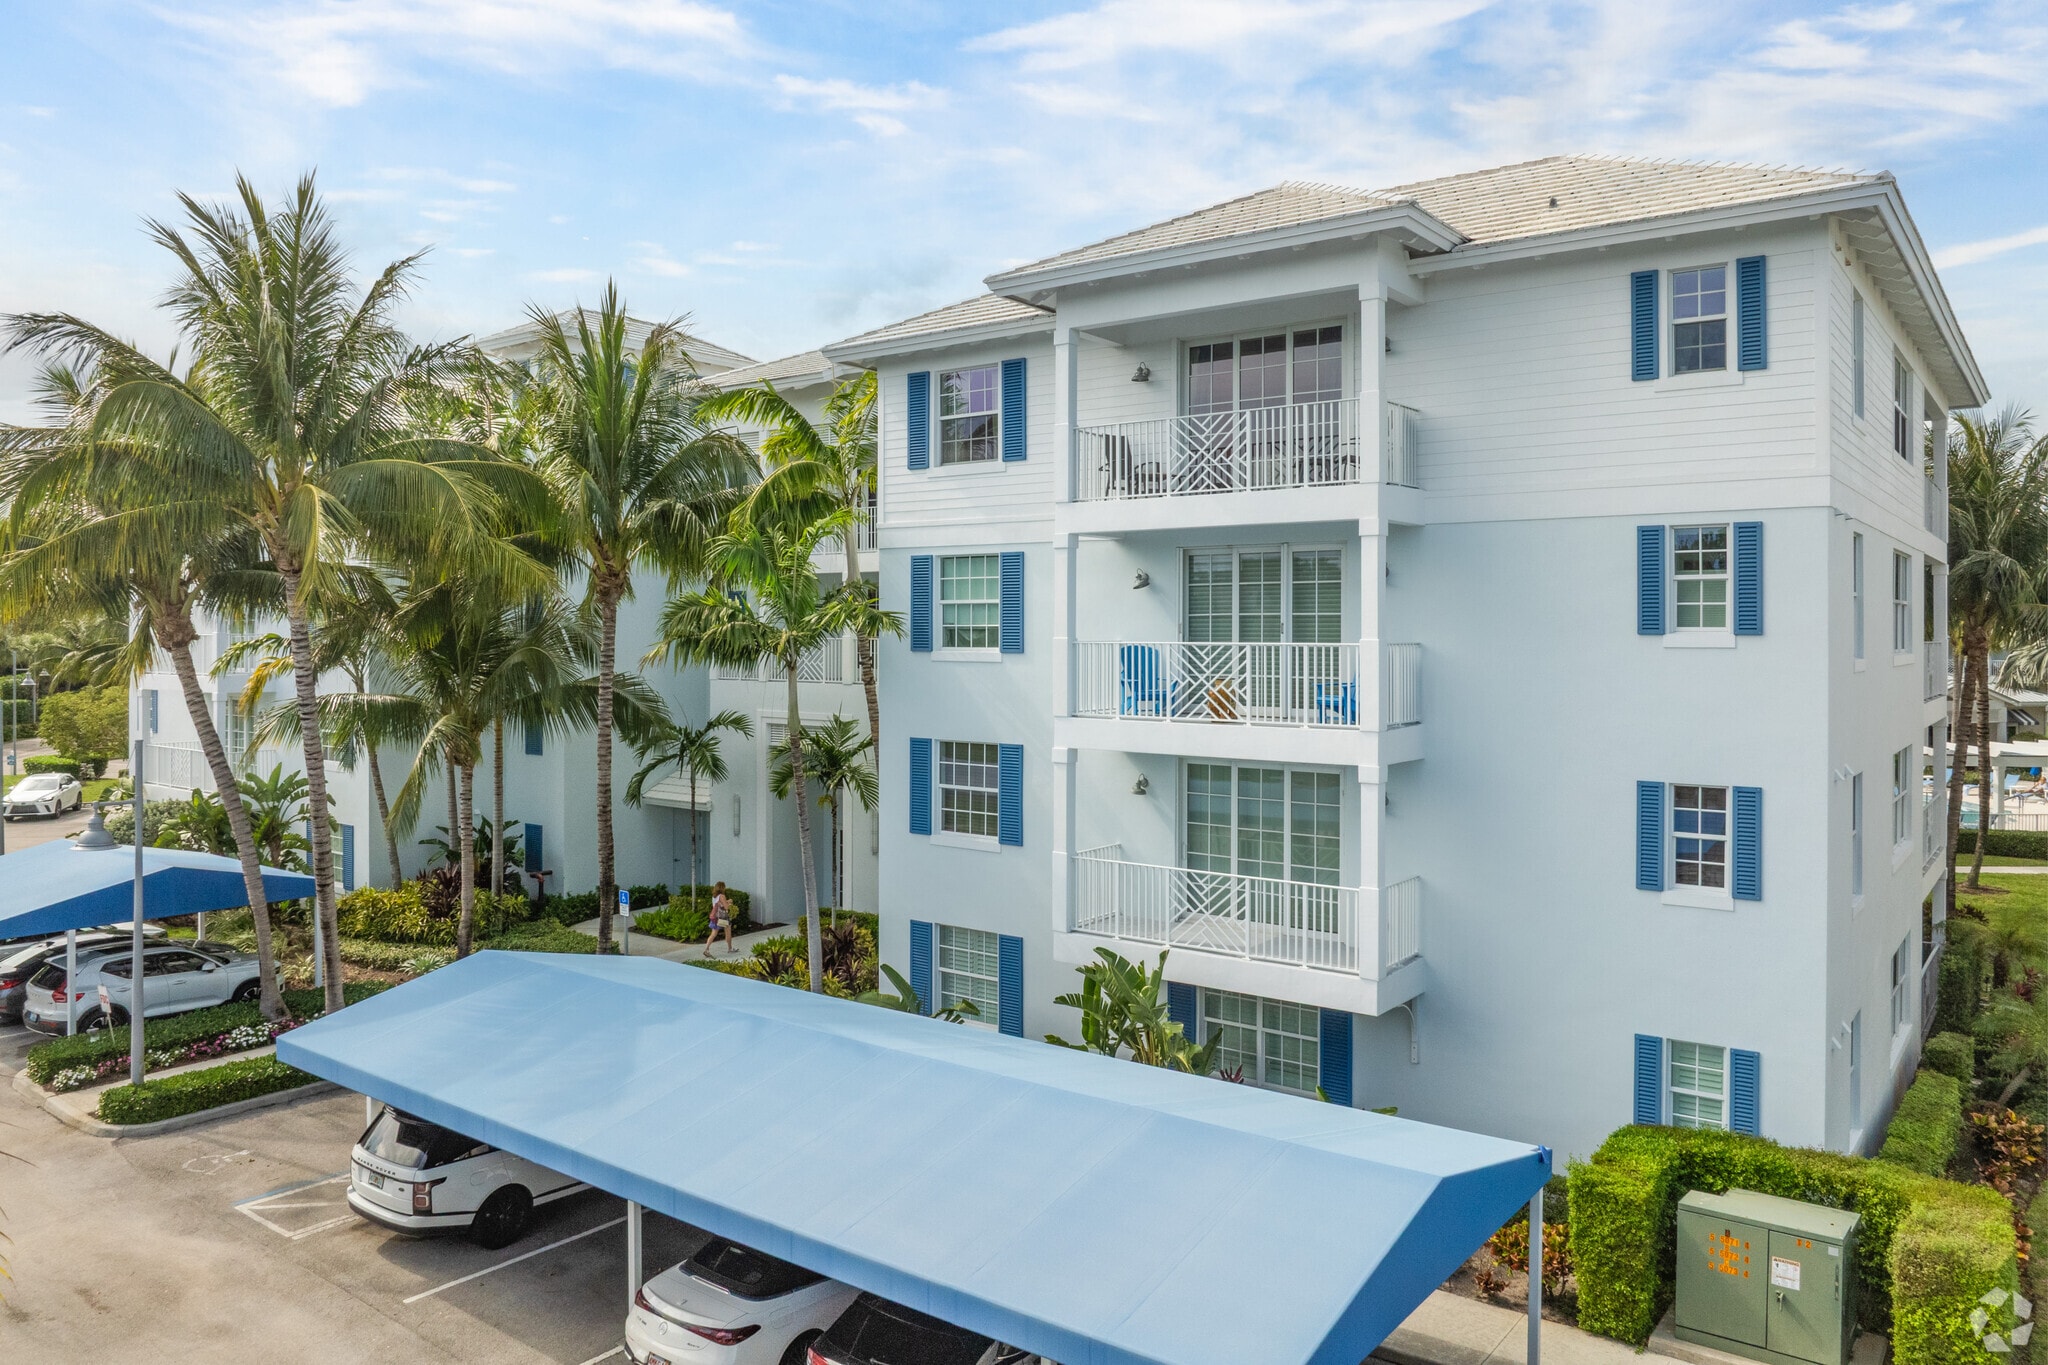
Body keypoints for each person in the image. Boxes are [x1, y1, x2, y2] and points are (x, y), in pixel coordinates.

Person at [703, 882, 736, 957]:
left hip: (715, 917)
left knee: (713, 934)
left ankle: (706, 949)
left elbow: (719, 904)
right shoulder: (722, 896)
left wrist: (726, 902)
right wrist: (730, 903)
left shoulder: (714, 896)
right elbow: (726, 907)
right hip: (722, 917)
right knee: (728, 932)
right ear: (722, 888)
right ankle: (730, 948)